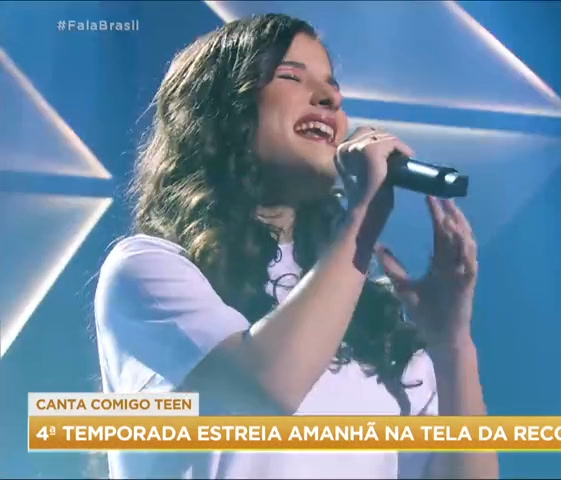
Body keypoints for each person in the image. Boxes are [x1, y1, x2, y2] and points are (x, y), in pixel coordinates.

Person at [93, 12, 498, 480]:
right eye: (290, 76)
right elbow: (266, 389)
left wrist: (451, 344)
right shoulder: (148, 269)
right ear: (223, 109)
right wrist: (363, 216)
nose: (330, 98)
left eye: (333, 87)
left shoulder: (370, 318)